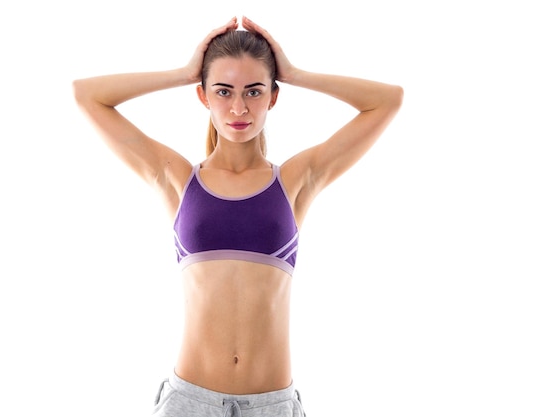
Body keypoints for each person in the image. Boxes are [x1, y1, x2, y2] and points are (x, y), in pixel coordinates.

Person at [73, 15, 402, 417]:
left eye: (254, 91)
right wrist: (183, 72)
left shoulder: (296, 180)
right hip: (189, 402)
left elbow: (388, 100)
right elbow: (86, 95)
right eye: (223, 91)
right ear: (204, 96)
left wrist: (294, 73)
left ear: (273, 97)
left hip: (272, 405)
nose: (239, 107)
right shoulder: (178, 179)